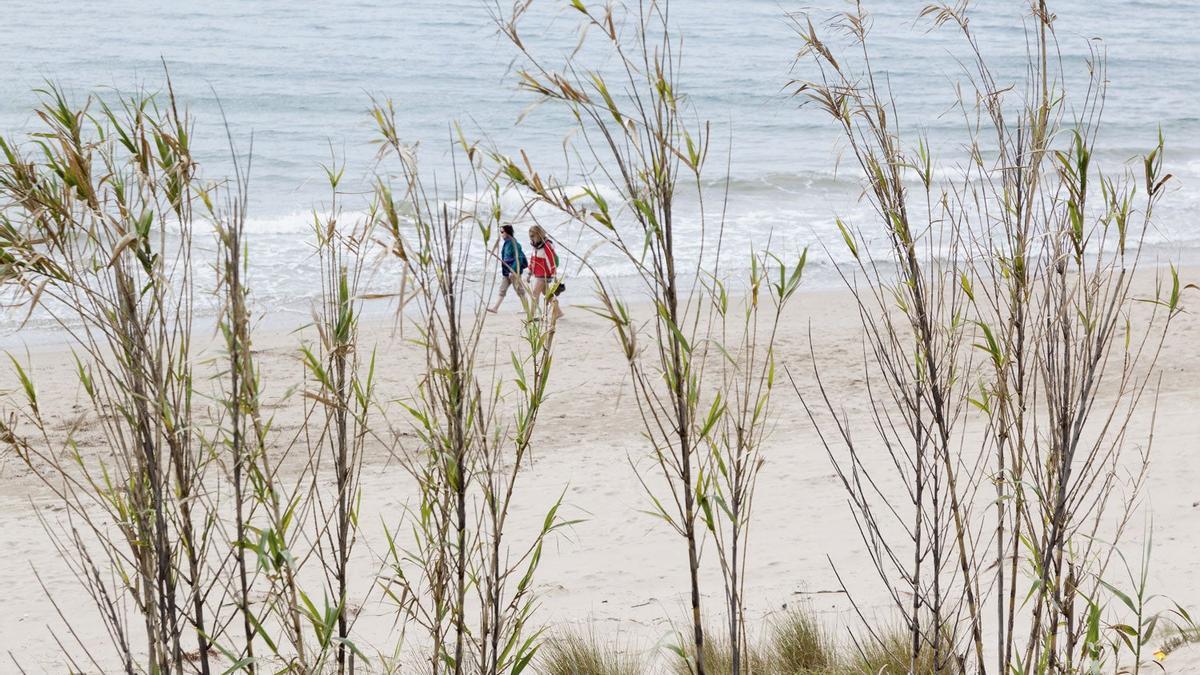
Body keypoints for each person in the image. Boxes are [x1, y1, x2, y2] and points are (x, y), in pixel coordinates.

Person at [525, 224, 564, 321]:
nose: (531, 239)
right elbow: (533, 260)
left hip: (545, 274)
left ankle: (532, 315)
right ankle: (559, 312)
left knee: (535, 293)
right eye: (530, 236)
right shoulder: (536, 245)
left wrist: (554, 274)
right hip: (538, 273)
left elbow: (551, 260)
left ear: (539, 234)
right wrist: (529, 273)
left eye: (533, 236)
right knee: (547, 294)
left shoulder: (546, 245)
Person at [488, 224, 527, 313]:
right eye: (500, 232)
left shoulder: (514, 243)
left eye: (502, 232)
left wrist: (513, 270)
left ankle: (526, 308)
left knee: (519, 290)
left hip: (513, 272)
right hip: (506, 272)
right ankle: (495, 308)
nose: (501, 234)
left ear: (507, 232)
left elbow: (519, 258)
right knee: (502, 289)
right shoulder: (506, 243)